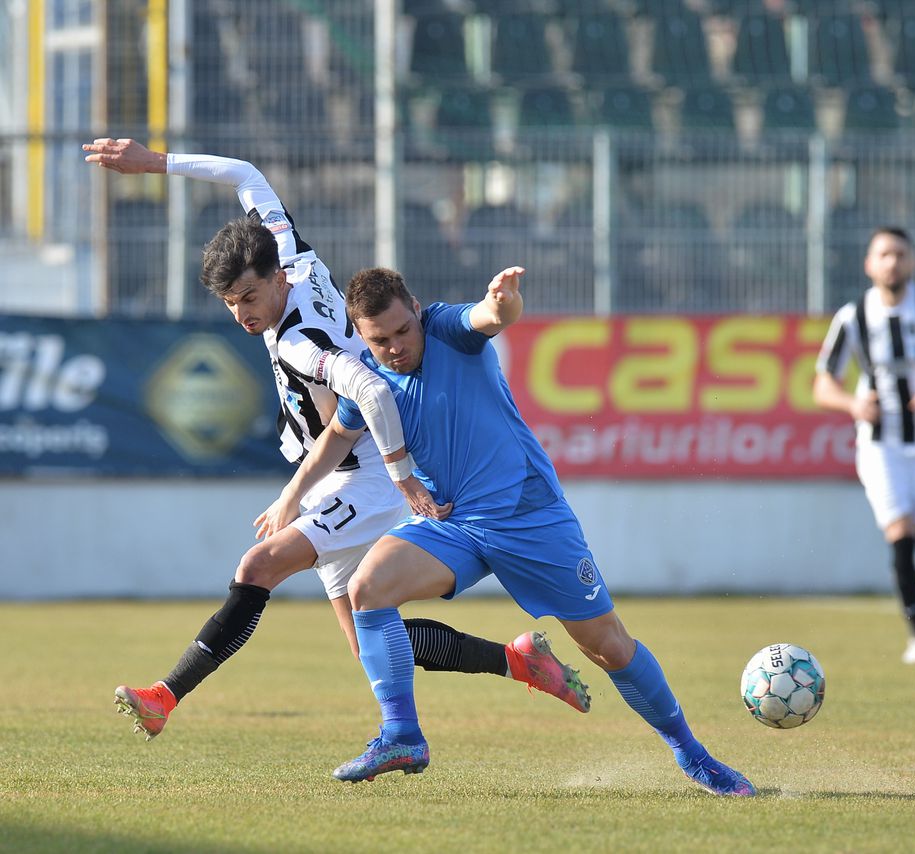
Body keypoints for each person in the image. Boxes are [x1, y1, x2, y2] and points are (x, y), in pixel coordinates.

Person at [82, 139, 589, 740]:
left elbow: (371, 392)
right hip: (339, 470)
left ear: (275, 280)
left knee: (258, 565)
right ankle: (520, 661)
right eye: (230, 303)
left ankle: (164, 696)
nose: (242, 315)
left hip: (366, 473)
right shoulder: (290, 252)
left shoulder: (302, 342)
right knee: (368, 639)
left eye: (250, 298)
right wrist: (157, 163)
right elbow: (245, 173)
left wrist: (400, 477)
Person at [258, 264, 756, 796]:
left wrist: (503, 302)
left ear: (417, 310)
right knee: (367, 588)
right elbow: (339, 433)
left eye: (403, 330)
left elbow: (490, 317)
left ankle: (692, 754)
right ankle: (402, 735)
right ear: (362, 337)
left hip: (529, 517)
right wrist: (291, 495)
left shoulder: (446, 328)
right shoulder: (368, 378)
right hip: (453, 522)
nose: (397, 347)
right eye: (380, 340)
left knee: (607, 646)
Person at [814, 227, 915, 665]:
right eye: (883, 254)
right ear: (869, 264)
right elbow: (822, 385)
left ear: (912, 261)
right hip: (881, 445)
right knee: (900, 535)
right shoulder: (853, 317)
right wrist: (853, 404)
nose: (892, 262)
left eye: (900, 254)